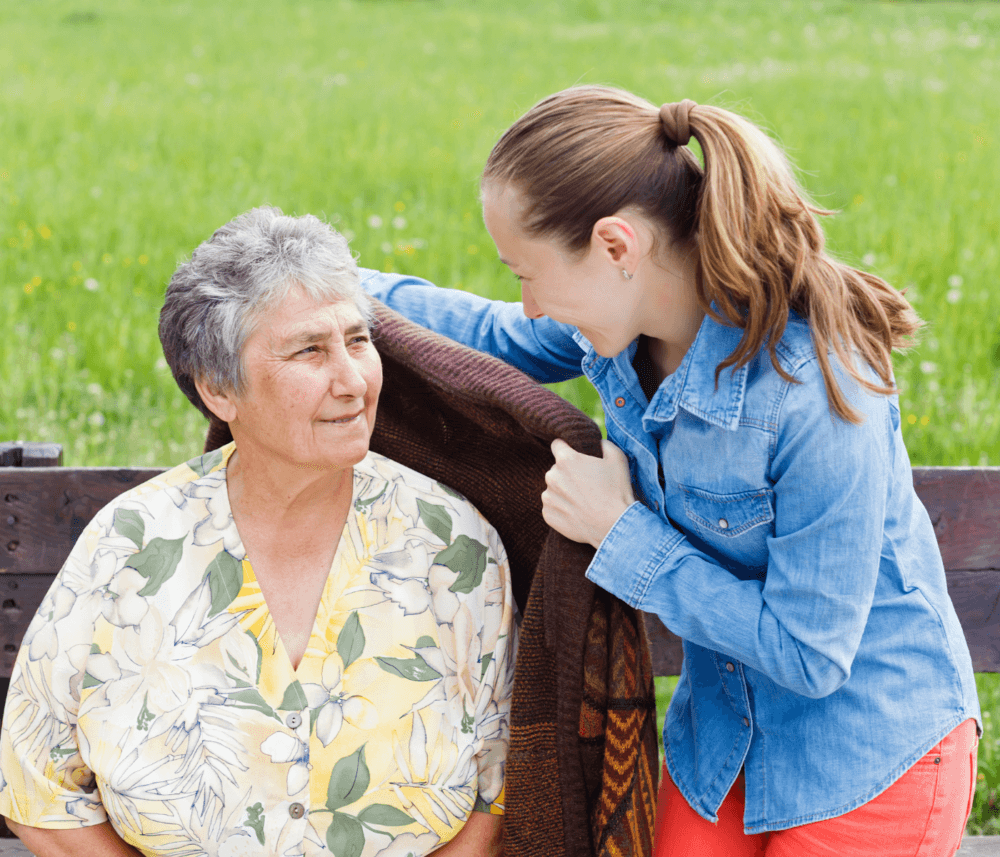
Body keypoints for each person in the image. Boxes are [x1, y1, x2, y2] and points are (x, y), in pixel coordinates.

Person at [359, 85, 981, 856]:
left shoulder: (818, 392)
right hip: (722, 742)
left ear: (617, 248)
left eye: (527, 273)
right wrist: (330, 284)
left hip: (866, 753)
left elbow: (812, 654)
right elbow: (490, 334)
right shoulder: (620, 328)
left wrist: (623, 535)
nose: (527, 303)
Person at [0, 207, 514, 857]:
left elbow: (499, 790)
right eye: (310, 350)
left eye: (358, 341)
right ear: (219, 388)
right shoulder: (131, 544)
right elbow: (38, 784)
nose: (354, 381)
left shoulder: (453, 546)